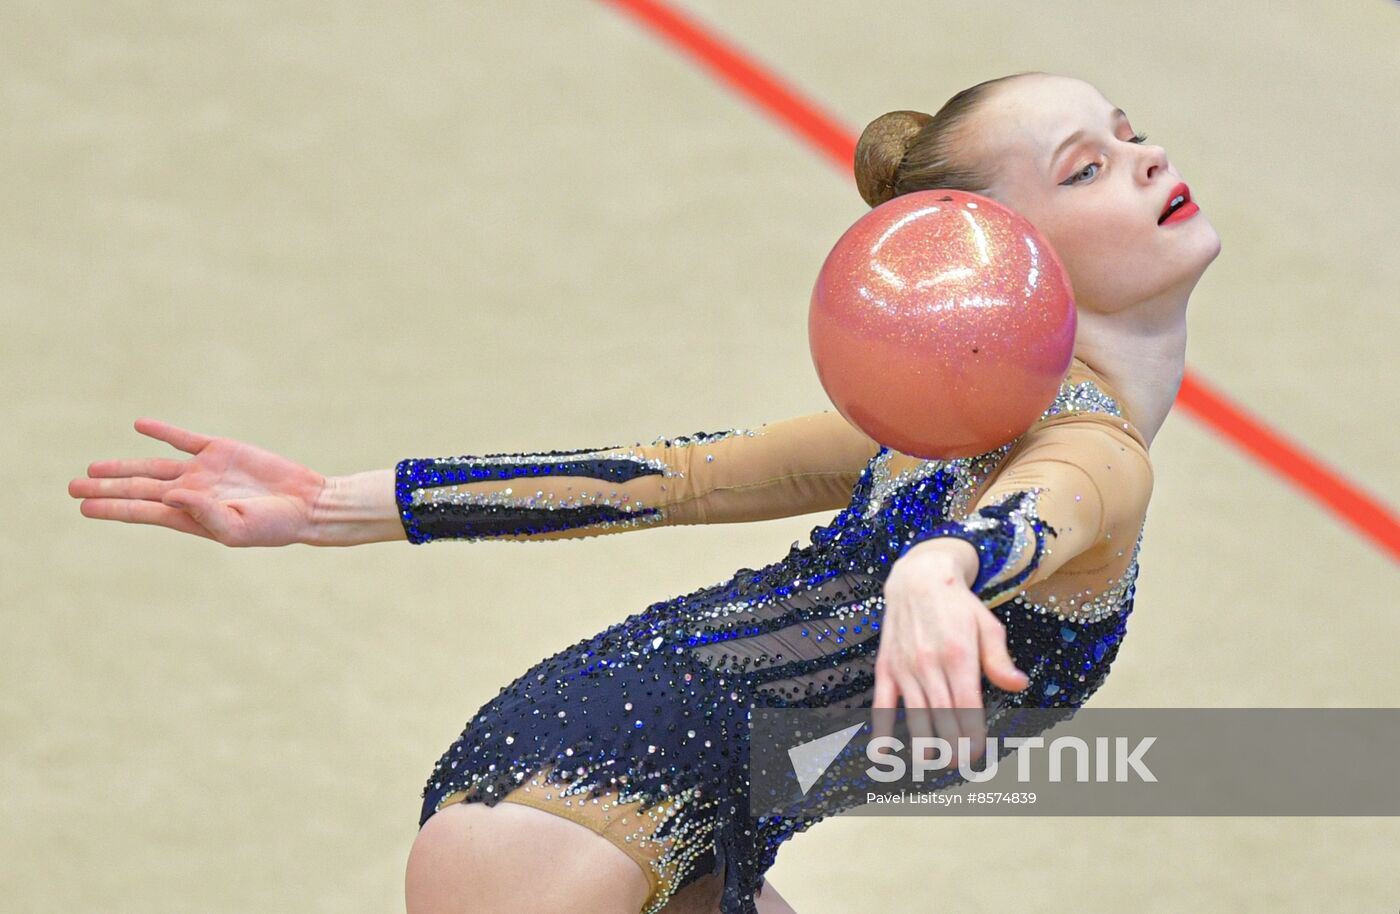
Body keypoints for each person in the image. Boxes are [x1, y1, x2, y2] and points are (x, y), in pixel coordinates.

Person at [68, 71, 1221, 914]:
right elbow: (1023, 508)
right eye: (1087, 165)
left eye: (1128, 136)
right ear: (992, 248)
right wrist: (940, 565)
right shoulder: (1080, 446)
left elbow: (677, 479)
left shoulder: (949, 433)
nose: (1147, 159)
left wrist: (337, 506)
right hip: (576, 811)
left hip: (681, 820)